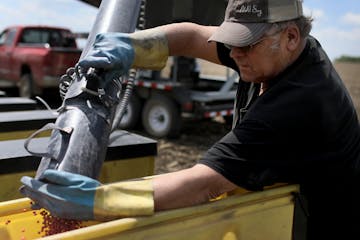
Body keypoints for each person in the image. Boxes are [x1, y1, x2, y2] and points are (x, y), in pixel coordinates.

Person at [20, 0, 360, 239]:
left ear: (290, 37)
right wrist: (135, 45)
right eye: (233, 40)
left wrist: (100, 201)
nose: (235, 52)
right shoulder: (279, 49)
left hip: (315, 221)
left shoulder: (300, 103)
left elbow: (203, 184)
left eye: (246, 44)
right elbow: (196, 36)